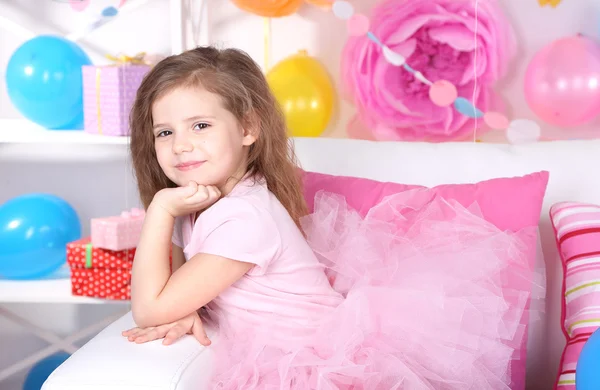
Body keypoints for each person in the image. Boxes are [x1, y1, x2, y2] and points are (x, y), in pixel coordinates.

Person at [121, 46, 536, 389]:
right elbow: (168, 283)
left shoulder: (244, 218)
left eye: (200, 125)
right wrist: (186, 305)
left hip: (319, 364)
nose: (181, 146)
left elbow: (148, 307)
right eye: (165, 132)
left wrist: (158, 210)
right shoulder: (198, 200)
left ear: (248, 128)